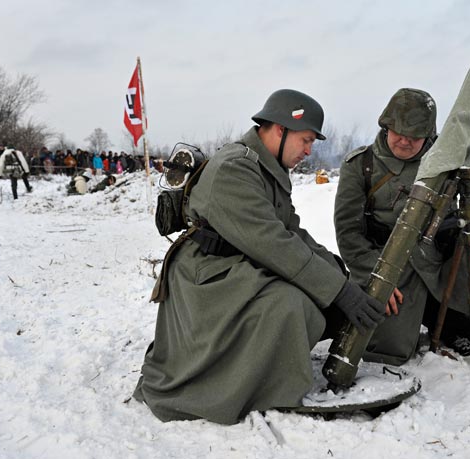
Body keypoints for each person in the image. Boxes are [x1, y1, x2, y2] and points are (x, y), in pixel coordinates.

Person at [133, 89, 385, 425]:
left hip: (236, 266)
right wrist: (338, 291)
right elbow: (273, 243)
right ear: (280, 129)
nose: (309, 151)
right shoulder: (235, 168)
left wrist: (338, 275)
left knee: (315, 295)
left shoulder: (266, 166)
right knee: (291, 305)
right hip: (206, 277)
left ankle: (268, 368)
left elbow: (293, 231)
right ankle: (254, 387)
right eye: (306, 140)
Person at [334, 88, 470, 365]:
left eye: (415, 136)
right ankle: (419, 320)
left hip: (444, 260)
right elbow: (348, 231)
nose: (405, 142)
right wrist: (376, 276)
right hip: (389, 263)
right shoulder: (361, 165)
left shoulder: (449, 159)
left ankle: (453, 324)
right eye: (398, 133)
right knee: (386, 347)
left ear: (429, 135)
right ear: (385, 126)